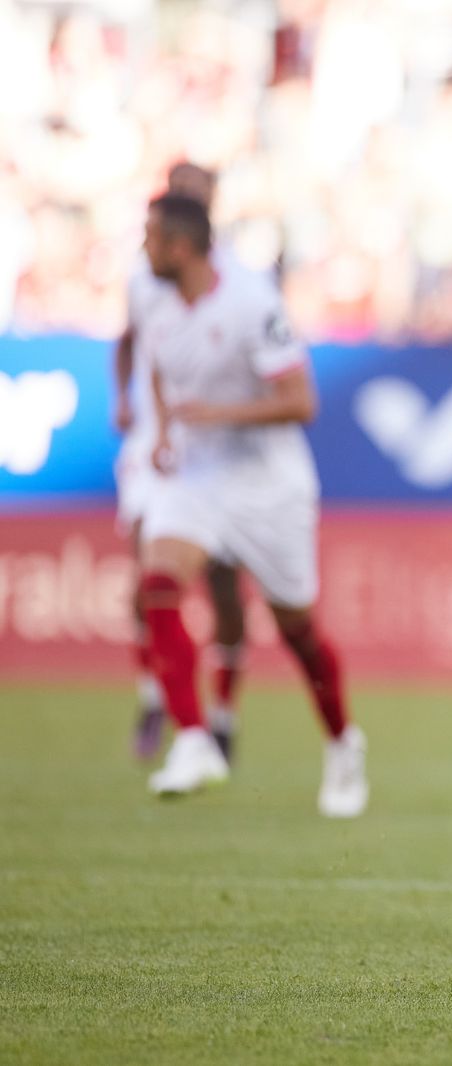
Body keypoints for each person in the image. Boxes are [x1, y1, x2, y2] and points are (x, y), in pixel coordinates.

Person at [136, 194, 367, 818]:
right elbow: (159, 374)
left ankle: (344, 742)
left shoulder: (252, 304)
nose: (144, 248)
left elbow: (300, 401)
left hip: (269, 487)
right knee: (156, 583)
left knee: (298, 632)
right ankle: (192, 740)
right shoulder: (158, 308)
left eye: (151, 237)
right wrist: (162, 433)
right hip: (199, 477)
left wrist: (217, 413)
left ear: (181, 246)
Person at [115, 162, 249, 764]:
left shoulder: (237, 280)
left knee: (224, 588)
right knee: (148, 576)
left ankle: (221, 716)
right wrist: (129, 402)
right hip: (156, 445)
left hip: (219, 454)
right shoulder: (145, 279)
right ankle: (157, 698)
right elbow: (129, 340)